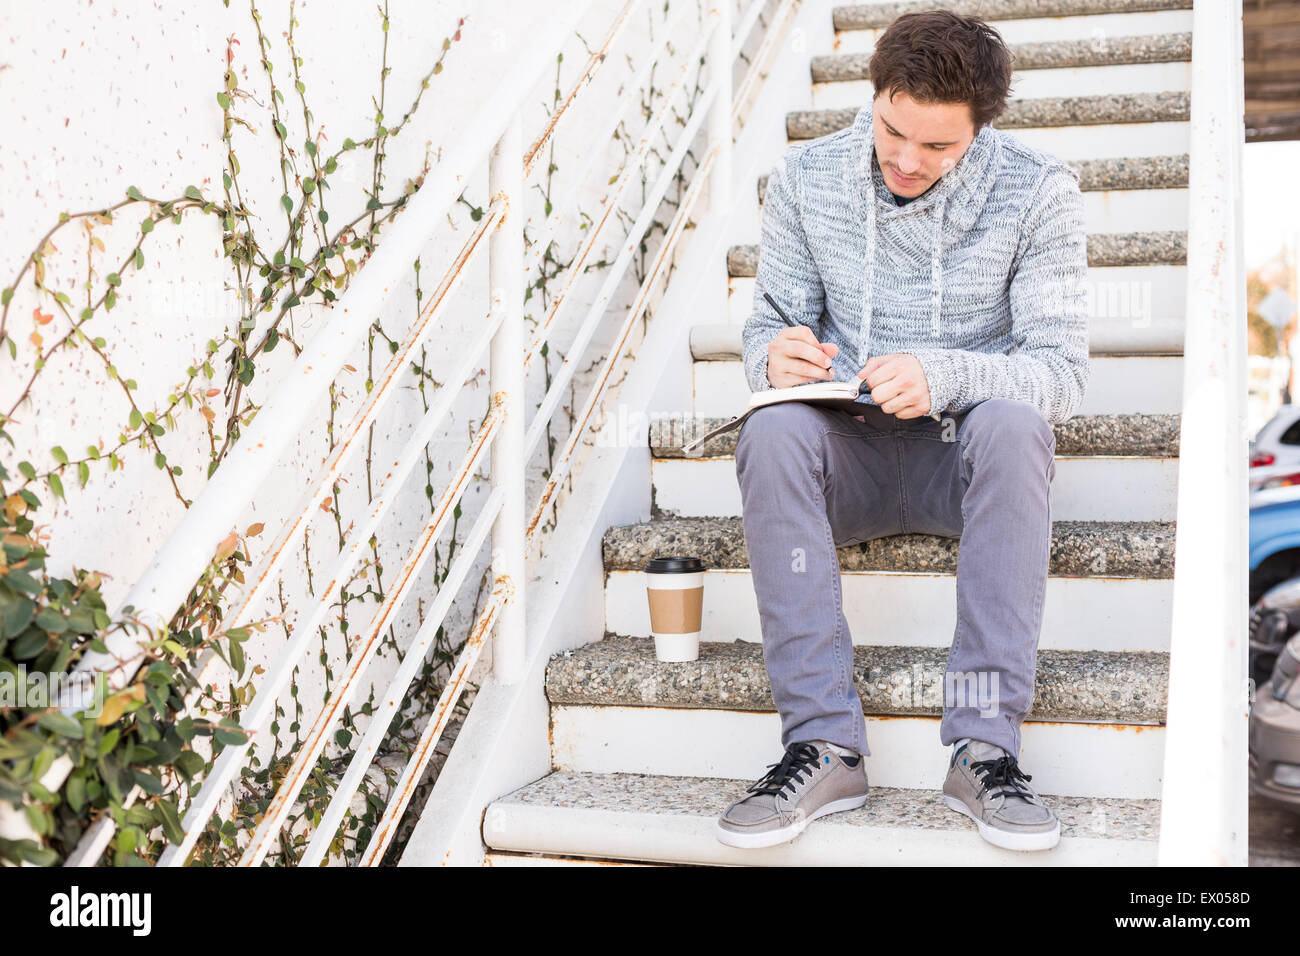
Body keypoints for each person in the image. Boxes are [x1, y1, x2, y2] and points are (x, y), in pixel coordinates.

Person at [714, 9, 1090, 853]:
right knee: (770, 436)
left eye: (938, 147)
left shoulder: (1038, 191)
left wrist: (945, 373)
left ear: (981, 130)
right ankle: (821, 745)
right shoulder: (807, 180)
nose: (907, 161)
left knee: (1016, 426)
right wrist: (773, 358)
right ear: (874, 95)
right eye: (893, 131)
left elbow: (1060, 373)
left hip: (965, 461)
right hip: (848, 455)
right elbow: (768, 322)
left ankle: (985, 749)